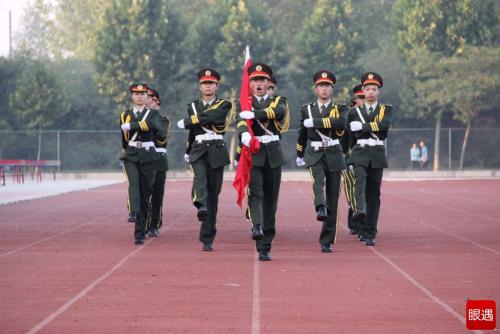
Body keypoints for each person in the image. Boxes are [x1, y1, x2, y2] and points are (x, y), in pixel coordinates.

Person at [237, 62, 289, 261]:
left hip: (273, 155)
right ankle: (257, 227)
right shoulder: (244, 103)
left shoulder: (278, 101)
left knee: (271, 200)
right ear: (249, 84)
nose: (259, 84)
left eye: (262, 80)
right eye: (255, 80)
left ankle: (267, 243)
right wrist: (243, 134)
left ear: (269, 83)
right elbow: (240, 121)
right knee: (256, 192)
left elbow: (279, 113)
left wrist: (256, 114)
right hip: (255, 153)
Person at [177, 68, 233, 251]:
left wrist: (187, 121)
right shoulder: (192, 106)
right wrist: (188, 149)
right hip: (199, 150)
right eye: (204, 83)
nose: (207, 86)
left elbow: (213, 116)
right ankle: (199, 203)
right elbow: (193, 132)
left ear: (217, 86)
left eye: (211, 83)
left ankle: (207, 237)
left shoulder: (224, 104)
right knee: (200, 177)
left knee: (213, 196)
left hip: (216, 150)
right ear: (200, 87)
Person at [296, 70, 347, 253]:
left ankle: (327, 239)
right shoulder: (306, 109)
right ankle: (319, 207)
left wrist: (316, 122)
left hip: (333, 152)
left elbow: (341, 124)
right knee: (317, 181)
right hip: (315, 152)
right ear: (316, 89)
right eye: (321, 86)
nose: (324, 89)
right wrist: (299, 152)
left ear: (332, 89)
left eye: (327, 86)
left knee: (333, 197)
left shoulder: (340, 108)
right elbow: (302, 132)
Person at [347, 72, 393, 246]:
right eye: (368, 89)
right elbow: (350, 137)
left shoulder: (385, 110)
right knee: (360, 181)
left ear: (378, 92)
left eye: (374, 89)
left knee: (374, 195)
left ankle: (370, 232)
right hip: (359, 152)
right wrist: (349, 158)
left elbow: (384, 126)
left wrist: (364, 126)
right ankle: (359, 209)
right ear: (363, 92)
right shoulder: (353, 112)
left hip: (377, 152)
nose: (371, 92)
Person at [120, 83, 165, 245]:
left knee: (146, 195)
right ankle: (133, 211)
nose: (139, 96)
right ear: (132, 96)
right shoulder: (125, 114)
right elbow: (124, 138)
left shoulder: (153, 114)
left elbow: (156, 128)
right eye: (136, 94)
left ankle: (139, 233)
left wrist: (133, 125)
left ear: (147, 96)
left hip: (148, 155)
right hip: (131, 154)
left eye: (142, 94)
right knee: (134, 183)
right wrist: (126, 152)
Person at [145, 87, 170, 237]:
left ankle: (154, 224)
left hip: (159, 160)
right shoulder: (139, 118)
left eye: (150, 99)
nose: (147, 101)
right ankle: (142, 222)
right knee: (143, 194)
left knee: (157, 195)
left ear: (156, 101)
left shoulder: (163, 120)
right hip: (143, 159)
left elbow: (161, 137)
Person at [341, 83, 364, 236]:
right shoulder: (349, 115)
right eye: (360, 97)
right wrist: (346, 159)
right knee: (352, 190)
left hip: (366, 157)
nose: (363, 99)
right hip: (350, 157)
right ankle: (354, 222)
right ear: (355, 99)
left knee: (364, 190)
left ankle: (363, 224)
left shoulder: (375, 113)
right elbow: (343, 139)